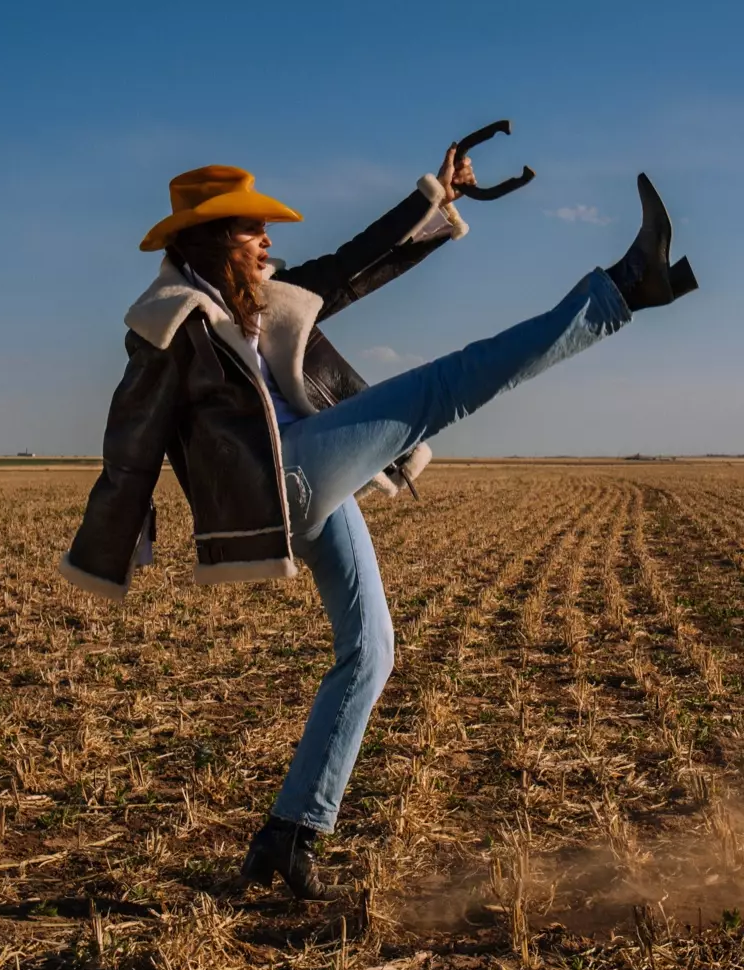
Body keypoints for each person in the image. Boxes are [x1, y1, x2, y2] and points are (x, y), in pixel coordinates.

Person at [60, 143, 698, 900]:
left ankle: (288, 837)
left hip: (315, 481)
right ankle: (625, 287)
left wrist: (439, 196)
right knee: (447, 384)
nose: (267, 239)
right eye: (251, 229)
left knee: (372, 651)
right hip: (282, 486)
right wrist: (114, 545)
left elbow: (353, 264)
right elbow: (132, 441)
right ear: (208, 238)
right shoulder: (169, 328)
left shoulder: (264, 296)